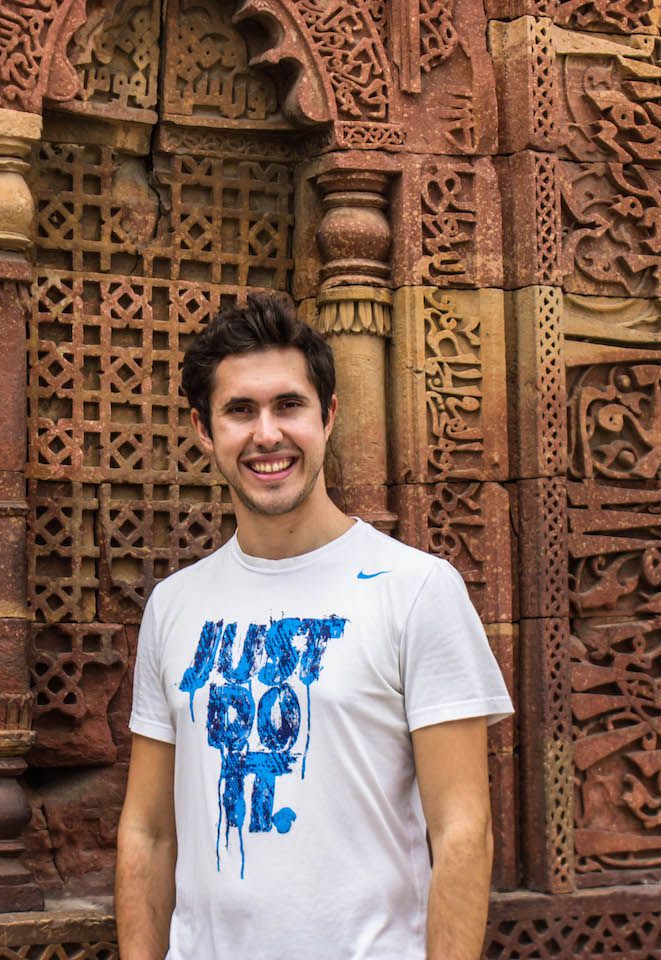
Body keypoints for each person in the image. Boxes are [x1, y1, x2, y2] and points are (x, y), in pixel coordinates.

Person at [114, 294, 513, 960]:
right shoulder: (174, 605)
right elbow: (148, 832)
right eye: (240, 410)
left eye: (288, 405)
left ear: (328, 416)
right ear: (203, 430)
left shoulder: (417, 590)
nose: (266, 433)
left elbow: (462, 833)